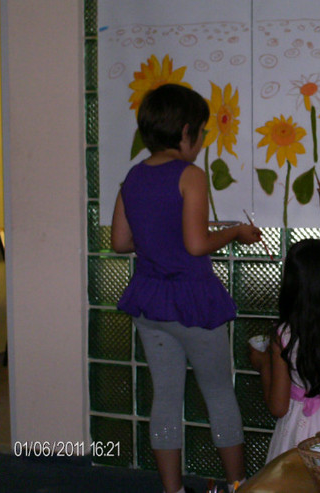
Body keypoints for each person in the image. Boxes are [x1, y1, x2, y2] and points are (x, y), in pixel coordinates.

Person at [111, 84, 261, 493]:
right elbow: (196, 245)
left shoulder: (134, 176)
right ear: (185, 132)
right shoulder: (190, 175)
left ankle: (173, 490)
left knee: (165, 397)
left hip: (149, 301)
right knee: (219, 394)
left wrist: (159, 239)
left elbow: (120, 242)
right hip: (193, 303)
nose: (203, 140)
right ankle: (237, 486)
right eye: (202, 131)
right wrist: (234, 232)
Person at [249, 182, 320, 462]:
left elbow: (278, 407)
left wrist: (263, 365)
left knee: (300, 480)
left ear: (291, 286)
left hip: (301, 435)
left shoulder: (283, 336)